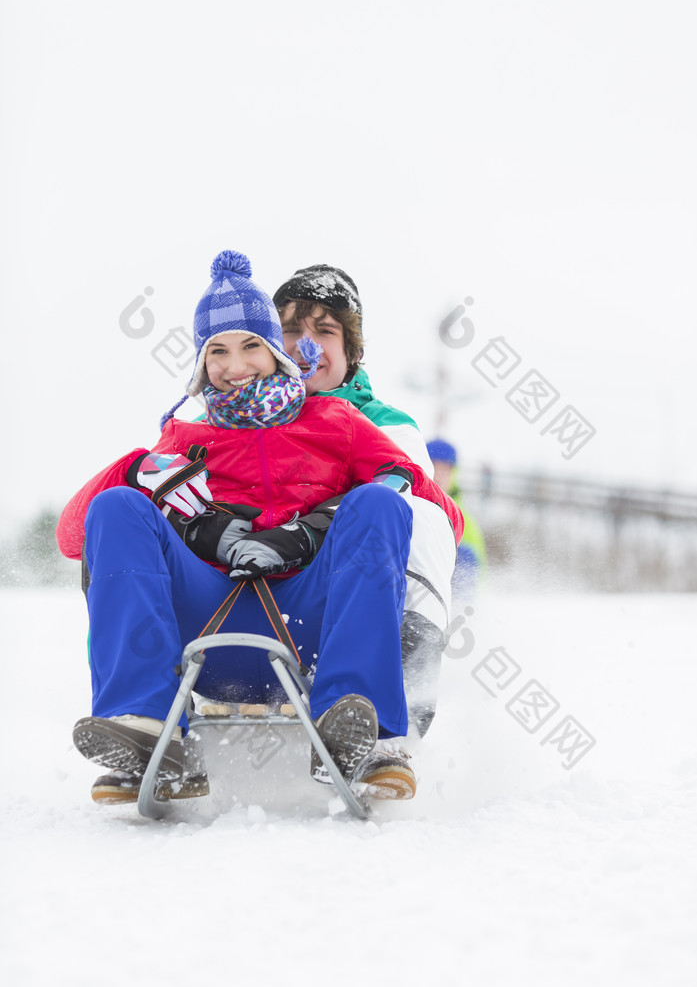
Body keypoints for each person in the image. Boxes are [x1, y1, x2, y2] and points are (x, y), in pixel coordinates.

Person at [57, 250, 463, 806]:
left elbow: (431, 506)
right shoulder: (185, 436)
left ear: (275, 353)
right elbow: (71, 536)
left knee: (383, 505)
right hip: (209, 619)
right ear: (202, 365)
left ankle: (360, 727)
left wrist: (318, 524)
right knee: (116, 508)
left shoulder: (337, 422)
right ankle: (149, 727)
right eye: (217, 351)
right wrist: (137, 471)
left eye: (252, 345)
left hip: (307, 628)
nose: (235, 363)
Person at [272, 265, 459, 737]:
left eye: (324, 330)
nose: (305, 343)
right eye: (291, 330)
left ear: (350, 351)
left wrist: (322, 517)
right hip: (260, 598)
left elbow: (414, 488)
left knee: (414, 512)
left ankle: (397, 704)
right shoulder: (240, 417)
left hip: (353, 601)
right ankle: (147, 709)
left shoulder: (385, 424)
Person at [426, 438, 487, 600]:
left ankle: (458, 616)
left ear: (454, 474)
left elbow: (478, 570)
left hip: (445, 596)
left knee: (465, 555)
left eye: (444, 470)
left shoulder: (465, 521)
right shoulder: (406, 503)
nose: (438, 475)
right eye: (433, 467)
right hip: (411, 585)